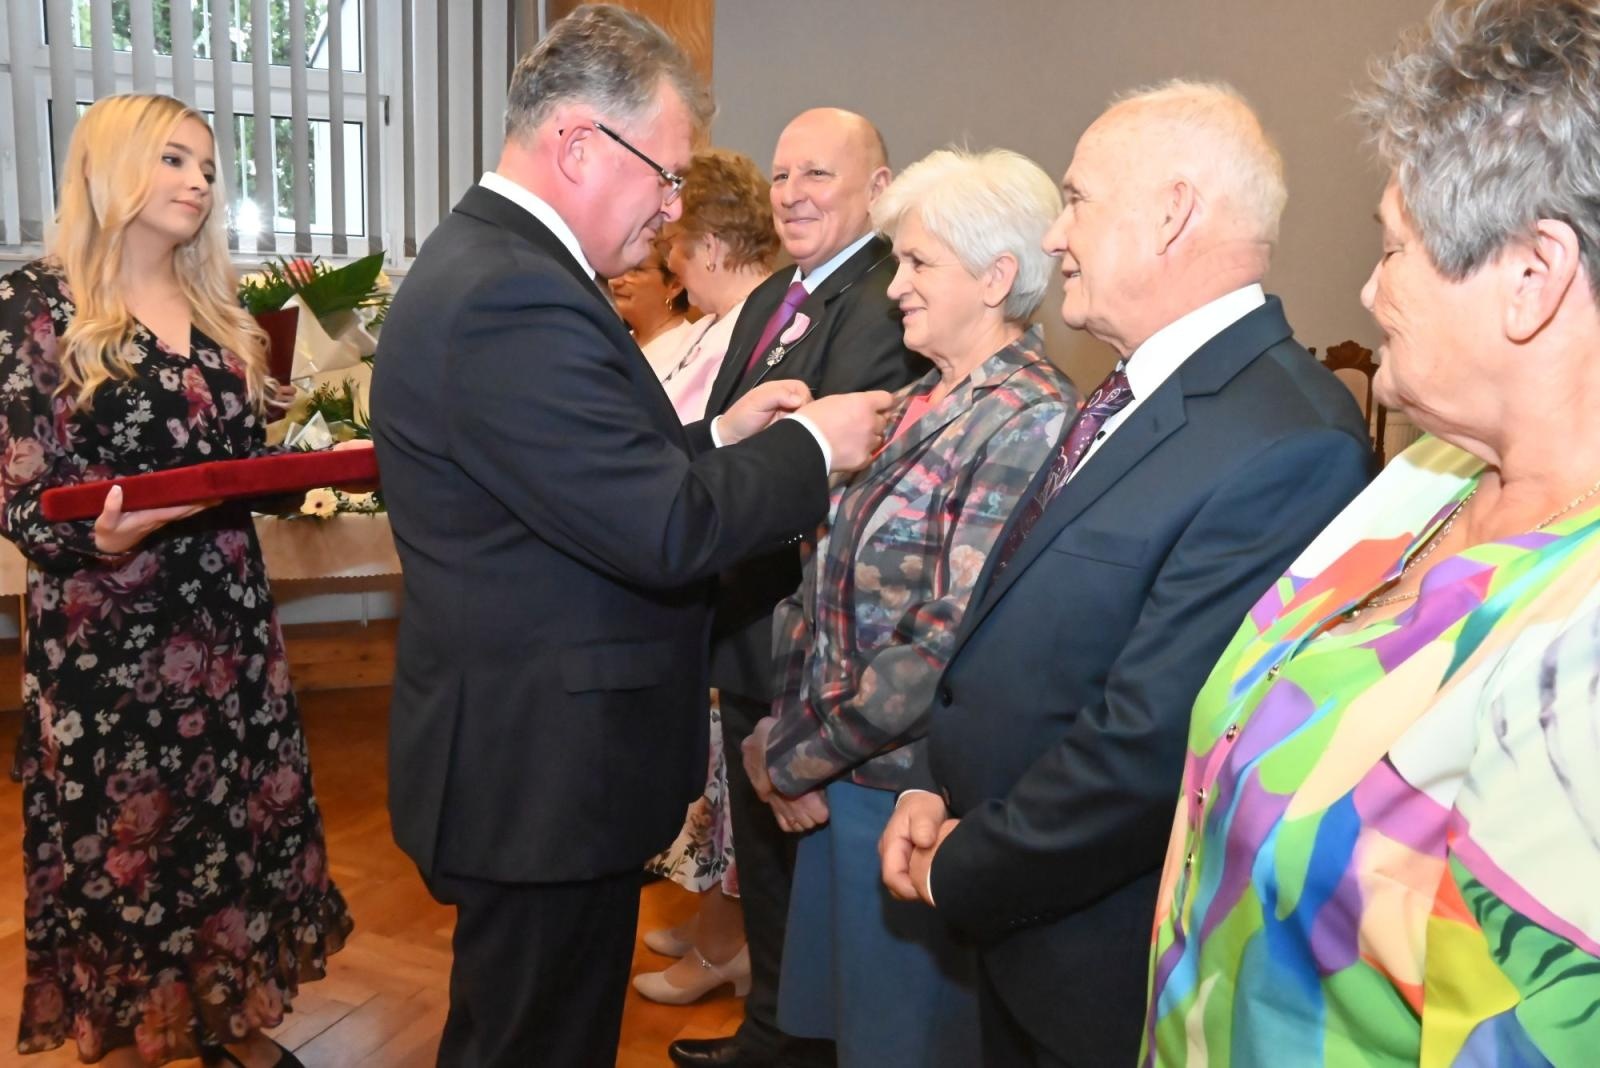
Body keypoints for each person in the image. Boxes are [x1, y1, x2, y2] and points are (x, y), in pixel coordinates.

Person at [368, 8, 892, 1067]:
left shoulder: (496, 264)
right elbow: (658, 527)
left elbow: (573, 477)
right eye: (665, 175)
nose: (670, 208)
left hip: (533, 756)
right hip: (542, 771)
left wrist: (716, 432)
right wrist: (807, 448)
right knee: (534, 1039)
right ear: (576, 144)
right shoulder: (513, 292)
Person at [876, 81, 1373, 1067]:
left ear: (1171, 213)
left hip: (1102, 959)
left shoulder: (1288, 438)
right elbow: (1013, 614)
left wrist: (967, 864)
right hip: (1025, 917)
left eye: (1075, 199)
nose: (1056, 235)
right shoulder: (1140, 389)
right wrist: (935, 779)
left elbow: (1154, 740)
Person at [1144, 3, 1600, 1063]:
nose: (1365, 287)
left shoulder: (1582, 650)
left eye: (1392, 247)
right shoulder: (1425, 477)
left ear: (1531, 276)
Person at [0, 94, 351, 1068]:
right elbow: (23, 497)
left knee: (229, 823)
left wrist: (301, 463)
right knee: (132, 844)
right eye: (172, 159)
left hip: (229, 618)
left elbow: (240, 466)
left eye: (205, 165)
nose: (198, 180)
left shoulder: (221, 312)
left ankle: (226, 1020)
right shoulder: (37, 303)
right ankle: (140, 1036)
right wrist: (100, 537)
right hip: (110, 638)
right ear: (111, 168)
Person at [739, 147, 1077, 1067]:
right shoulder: (920, 398)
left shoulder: (1030, 419)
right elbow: (821, 577)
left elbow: (945, 644)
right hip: (841, 779)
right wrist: (780, 730)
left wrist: (791, 755)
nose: (895, 290)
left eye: (920, 264)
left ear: (998, 277)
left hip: (907, 800)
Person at [670, 106, 925, 1068]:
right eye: (781, 176)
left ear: (879, 185)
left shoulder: (879, 300)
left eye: (818, 175)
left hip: (806, 627)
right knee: (763, 855)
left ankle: (794, 1038)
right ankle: (771, 1027)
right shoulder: (781, 287)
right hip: (748, 613)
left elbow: (839, 455)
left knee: (800, 855)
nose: (792, 194)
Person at [633, 146, 779, 1003]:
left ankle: (728, 943)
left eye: (676, 243)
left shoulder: (751, 324)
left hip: (725, 562)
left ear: (713, 240)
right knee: (710, 790)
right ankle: (711, 927)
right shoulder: (710, 327)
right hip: (692, 553)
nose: (667, 260)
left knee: (727, 786)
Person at [609, 236, 694, 371]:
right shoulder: (615, 342)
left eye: (635, 270)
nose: (615, 282)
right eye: (618, 267)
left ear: (674, 285)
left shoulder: (689, 352)